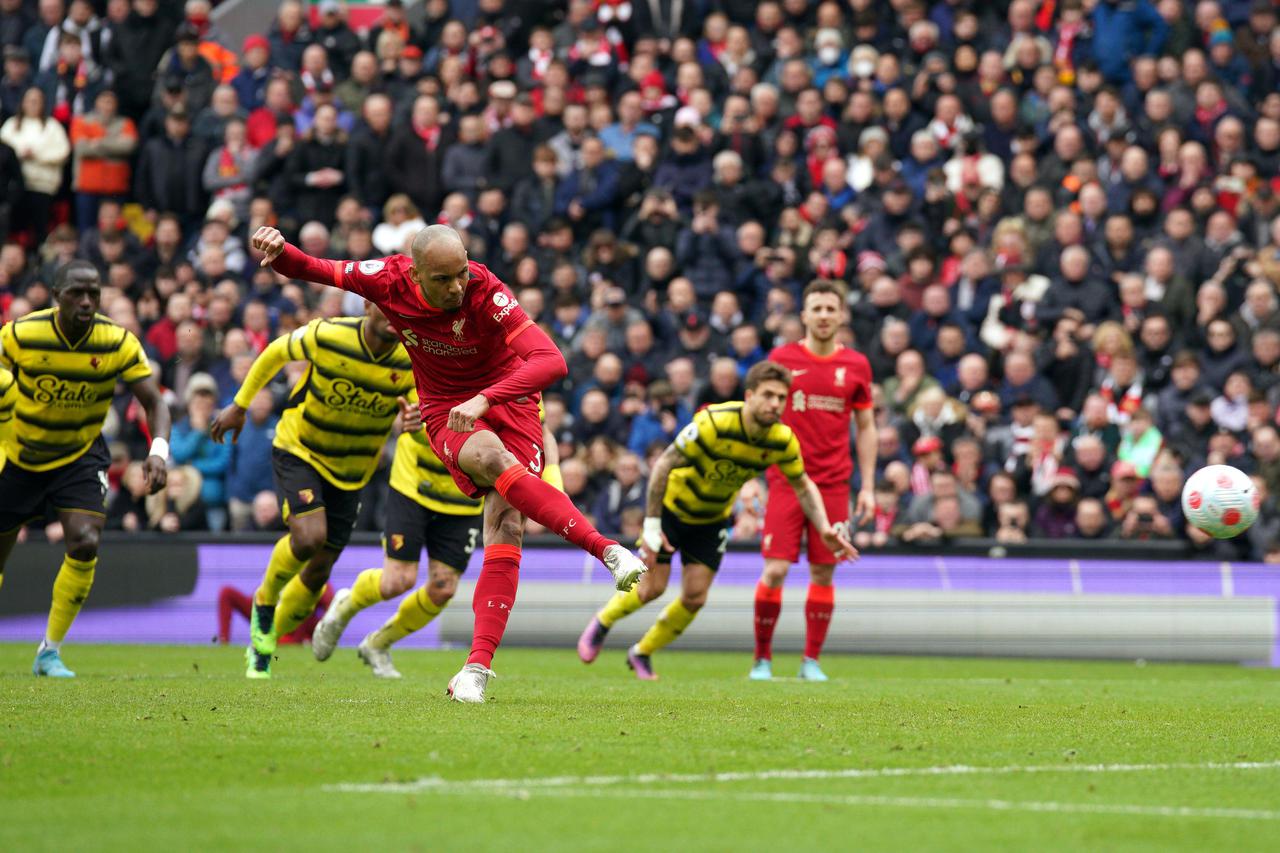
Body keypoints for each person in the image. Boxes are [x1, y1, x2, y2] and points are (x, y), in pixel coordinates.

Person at [248, 223, 647, 702]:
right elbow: (312, 268)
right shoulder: (386, 280)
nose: (458, 286)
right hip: (446, 411)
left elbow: (552, 362)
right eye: (443, 279)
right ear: (416, 273)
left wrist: (487, 399)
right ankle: (606, 549)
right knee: (489, 459)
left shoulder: (485, 290)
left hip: (511, 399)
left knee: (508, 527)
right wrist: (278, 246)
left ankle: (475, 670)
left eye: (461, 273)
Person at [577, 361, 857, 680]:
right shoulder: (714, 422)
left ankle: (641, 652)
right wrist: (653, 525)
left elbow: (803, 485)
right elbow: (663, 465)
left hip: (711, 520)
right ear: (750, 395)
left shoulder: (781, 440)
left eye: (781, 398)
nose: (775, 404)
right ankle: (602, 622)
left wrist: (823, 528)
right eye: (768, 395)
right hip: (672, 510)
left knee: (695, 597)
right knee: (651, 589)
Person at [210, 303, 417, 679]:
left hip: (352, 473)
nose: (394, 314)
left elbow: (421, 407)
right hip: (300, 450)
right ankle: (265, 600)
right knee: (309, 537)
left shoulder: (414, 356)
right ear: (368, 304)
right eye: (387, 304)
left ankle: (263, 641)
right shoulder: (329, 334)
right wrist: (240, 405)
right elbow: (275, 351)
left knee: (319, 569)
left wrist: (415, 419)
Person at [0, 260, 170, 677]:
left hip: (79, 454)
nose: (87, 301)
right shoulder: (20, 334)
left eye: (94, 293)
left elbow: (154, 402)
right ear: (57, 296)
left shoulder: (117, 342)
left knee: (86, 540)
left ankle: (49, 651)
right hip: (19, 455)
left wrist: (159, 451)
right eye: (77, 293)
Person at [310, 415, 563, 679]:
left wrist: (554, 484)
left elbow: (541, 430)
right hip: (414, 487)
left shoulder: (511, 379)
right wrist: (402, 423)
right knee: (397, 581)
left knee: (443, 588)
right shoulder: (424, 373)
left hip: (464, 497)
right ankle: (346, 605)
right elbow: (399, 410)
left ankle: (378, 643)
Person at [750, 279, 877, 682]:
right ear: (803, 315)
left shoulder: (856, 365)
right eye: (816, 308)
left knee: (823, 572)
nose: (823, 316)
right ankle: (762, 659)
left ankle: (811, 661)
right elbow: (756, 419)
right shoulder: (782, 359)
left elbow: (867, 426)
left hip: (835, 483)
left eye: (830, 309)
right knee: (774, 571)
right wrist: (751, 476)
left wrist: (869, 486)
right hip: (786, 479)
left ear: (841, 315)